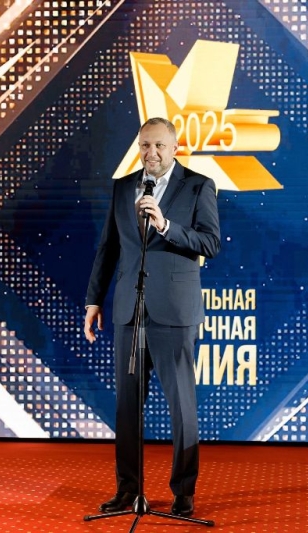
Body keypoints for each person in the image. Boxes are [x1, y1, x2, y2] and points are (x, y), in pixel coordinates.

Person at [83, 117, 221, 517]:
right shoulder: (123, 187)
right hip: (129, 309)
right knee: (127, 407)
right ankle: (128, 490)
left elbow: (210, 242)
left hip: (173, 310)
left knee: (182, 406)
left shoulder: (198, 186)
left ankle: (183, 492)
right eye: (145, 145)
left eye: (159, 145)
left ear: (174, 148)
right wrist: (94, 300)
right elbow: (108, 248)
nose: (152, 153)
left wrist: (166, 225)